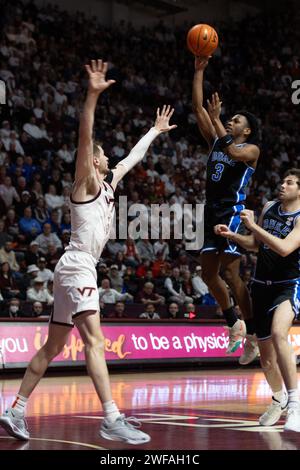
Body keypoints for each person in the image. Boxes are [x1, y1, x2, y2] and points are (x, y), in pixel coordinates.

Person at [0, 59, 176, 444]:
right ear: (94, 160)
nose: (109, 158)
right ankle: (111, 417)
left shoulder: (110, 183)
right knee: (94, 341)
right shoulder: (84, 181)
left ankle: (14, 410)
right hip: (78, 266)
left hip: (76, 268)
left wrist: (154, 131)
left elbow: (133, 158)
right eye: (103, 155)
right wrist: (92, 96)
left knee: (54, 345)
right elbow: (85, 135)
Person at [215, 168, 300, 432]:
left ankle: (295, 404)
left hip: (289, 284)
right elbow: (256, 244)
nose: (282, 185)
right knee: (265, 360)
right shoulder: (270, 207)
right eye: (283, 180)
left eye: (289, 182)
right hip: (260, 285)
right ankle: (278, 398)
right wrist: (234, 235)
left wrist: (252, 225)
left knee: (278, 334)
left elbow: (285, 248)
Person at [192, 56, 260, 364]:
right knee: (208, 274)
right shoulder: (218, 142)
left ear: (246, 131)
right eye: (229, 119)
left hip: (231, 212)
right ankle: (234, 322)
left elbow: (231, 148)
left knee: (232, 275)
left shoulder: (249, 150)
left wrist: (219, 122)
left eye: (236, 121)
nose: (231, 121)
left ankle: (255, 334)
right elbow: (197, 108)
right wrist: (199, 70)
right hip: (210, 212)